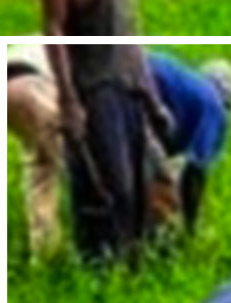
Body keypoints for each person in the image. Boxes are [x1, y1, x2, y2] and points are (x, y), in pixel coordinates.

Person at [41, 0, 170, 260]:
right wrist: (68, 100)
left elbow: (133, 40)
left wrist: (153, 101)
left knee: (137, 192)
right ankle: (100, 273)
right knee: (109, 190)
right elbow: (53, 28)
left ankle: (130, 273)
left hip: (130, 88)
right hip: (95, 89)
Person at [0, 44, 65, 257]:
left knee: (40, 165)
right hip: (31, 81)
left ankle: (44, 251)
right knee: (76, 165)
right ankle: (101, 249)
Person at [144, 52, 231, 234]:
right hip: (135, 87)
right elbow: (195, 173)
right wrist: (190, 227)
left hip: (128, 69)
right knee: (159, 195)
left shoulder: (189, 89)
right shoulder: (214, 108)